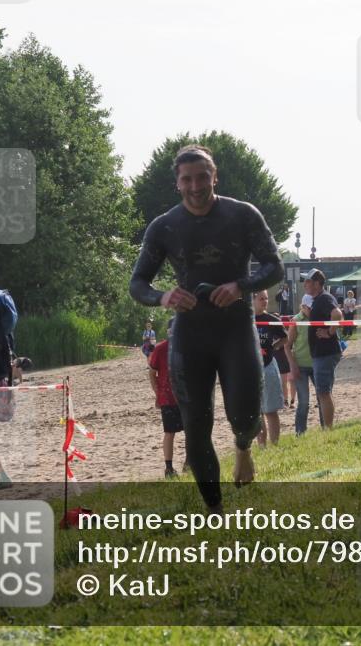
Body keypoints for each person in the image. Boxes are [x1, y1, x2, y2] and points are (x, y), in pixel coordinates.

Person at [129, 145, 284, 513]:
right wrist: (164, 296)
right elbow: (138, 284)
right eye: (187, 179)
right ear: (177, 183)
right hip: (189, 333)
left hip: (235, 328)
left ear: (215, 178)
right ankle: (215, 510)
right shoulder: (165, 226)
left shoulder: (242, 215)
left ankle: (244, 450)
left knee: (244, 413)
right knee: (195, 424)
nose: (195, 186)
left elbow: (274, 267)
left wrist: (239, 287)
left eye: (202, 177)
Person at [302, 269, 343, 428]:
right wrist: (310, 313)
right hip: (322, 352)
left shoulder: (324, 298)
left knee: (323, 392)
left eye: (308, 281)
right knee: (324, 391)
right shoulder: (320, 299)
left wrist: (330, 332)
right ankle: (327, 427)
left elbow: (337, 313)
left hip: (325, 352)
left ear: (317, 283)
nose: (305, 284)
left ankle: (328, 429)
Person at [147, 321, 185, 478]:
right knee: (170, 432)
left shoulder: (188, 347)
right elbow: (152, 372)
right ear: (169, 331)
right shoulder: (160, 348)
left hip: (186, 399)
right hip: (168, 398)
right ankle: (169, 468)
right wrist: (157, 391)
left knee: (191, 432)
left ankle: (189, 463)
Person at [253, 289, 285, 446]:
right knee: (257, 412)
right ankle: (262, 446)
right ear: (252, 300)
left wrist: (274, 347)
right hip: (251, 370)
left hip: (268, 366)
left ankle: (275, 445)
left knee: (270, 410)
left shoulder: (271, 319)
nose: (264, 301)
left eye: (266, 298)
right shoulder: (246, 320)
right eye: (261, 299)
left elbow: (285, 338)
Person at [285, 295, 321, 434]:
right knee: (304, 402)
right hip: (301, 366)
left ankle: (326, 429)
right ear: (303, 307)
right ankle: (300, 433)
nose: (312, 311)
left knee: (322, 397)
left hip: (317, 364)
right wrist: (292, 366)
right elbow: (287, 346)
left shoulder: (317, 318)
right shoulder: (296, 321)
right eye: (309, 308)